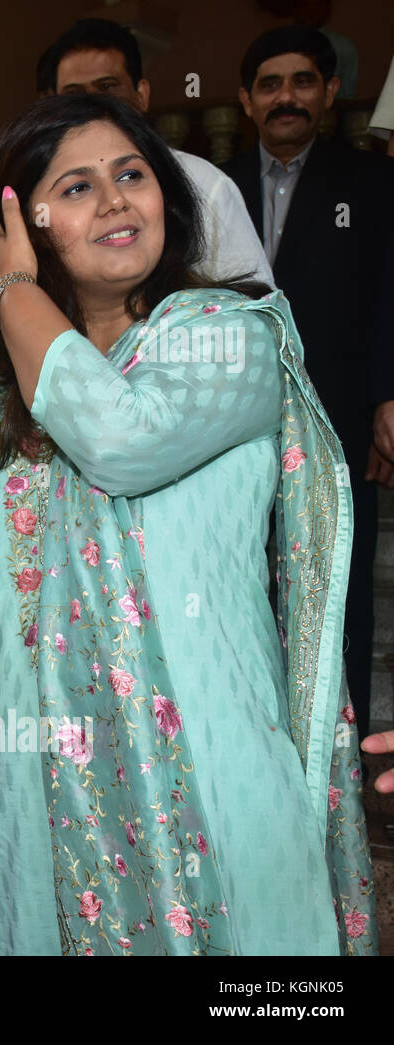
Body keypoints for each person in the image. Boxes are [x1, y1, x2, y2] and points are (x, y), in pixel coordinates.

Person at [0, 94, 377, 955]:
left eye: (132, 176)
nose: (118, 200)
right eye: (79, 187)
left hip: (213, 756)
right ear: (24, 220)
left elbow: (118, 436)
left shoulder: (230, 336)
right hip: (31, 775)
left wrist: (8, 286)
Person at [223, 26, 394, 745]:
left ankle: (335, 757)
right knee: (234, 584)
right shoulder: (212, 184)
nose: (285, 96)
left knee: (339, 590)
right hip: (226, 427)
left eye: (301, 81)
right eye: (269, 83)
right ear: (245, 98)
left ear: (328, 94)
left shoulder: (376, 184)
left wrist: (386, 398)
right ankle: (248, 742)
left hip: (339, 422)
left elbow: (391, 294)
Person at [35, 18, 273, 287]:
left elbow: (256, 309)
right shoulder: (44, 188)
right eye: (75, 94)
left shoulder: (203, 183)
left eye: (106, 87)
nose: (92, 106)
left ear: (141, 95)